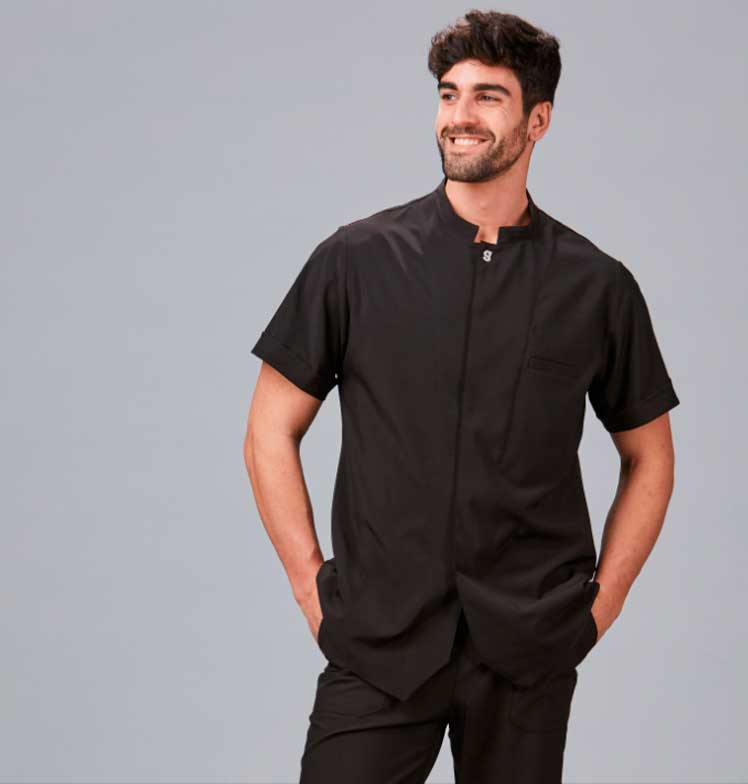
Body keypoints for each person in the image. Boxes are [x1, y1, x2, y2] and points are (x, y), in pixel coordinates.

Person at [244, 10, 679, 783]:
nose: (460, 116)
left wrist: (601, 605)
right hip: (379, 643)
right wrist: (312, 588)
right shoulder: (356, 261)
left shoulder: (596, 286)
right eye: (449, 94)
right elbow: (268, 430)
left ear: (538, 120)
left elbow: (650, 455)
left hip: (526, 648)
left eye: (488, 96)